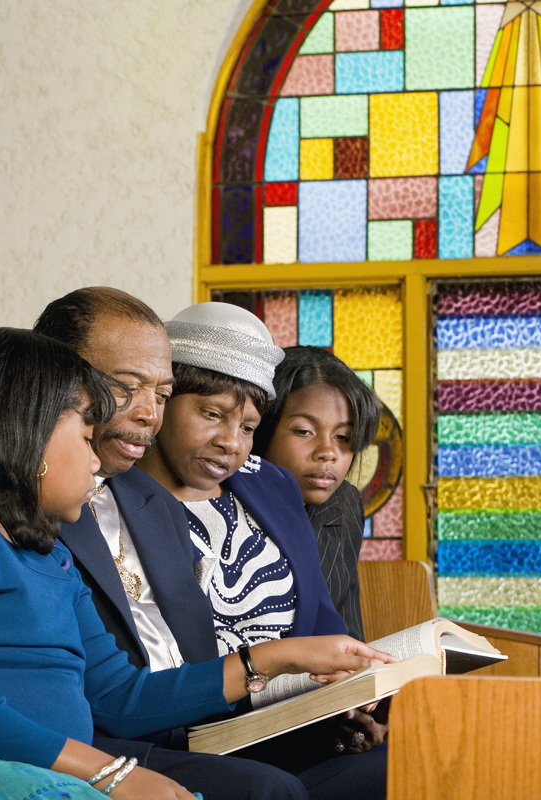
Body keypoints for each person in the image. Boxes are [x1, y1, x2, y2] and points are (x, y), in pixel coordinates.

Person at [0, 288, 373, 800]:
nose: (147, 415)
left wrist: (283, 659)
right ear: (39, 399)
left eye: (162, 394)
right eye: (122, 390)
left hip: (116, 741)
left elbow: (118, 690)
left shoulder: (60, 537)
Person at [135, 303, 387, 795]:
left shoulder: (270, 482)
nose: (231, 443)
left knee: (425, 757)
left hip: (289, 722)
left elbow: (323, 624)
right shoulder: (114, 498)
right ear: (162, 402)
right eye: (212, 414)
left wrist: (347, 696)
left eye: (248, 427)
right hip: (202, 729)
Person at [253, 346, 382, 642]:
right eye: (303, 431)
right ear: (261, 429)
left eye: (343, 437)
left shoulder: (345, 503)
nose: (328, 453)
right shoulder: (218, 500)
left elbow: (348, 632)